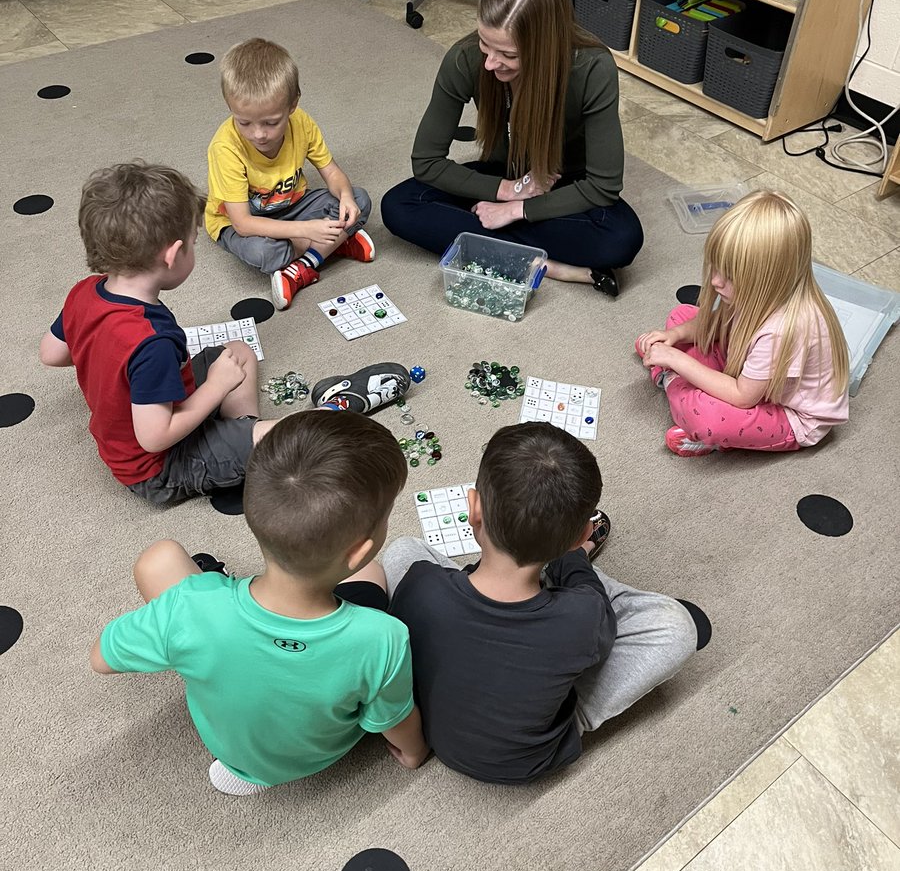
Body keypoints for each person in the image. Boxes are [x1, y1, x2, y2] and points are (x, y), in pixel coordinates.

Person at [90, 411, 429, 796]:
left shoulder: (191, 607)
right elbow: (395, 719)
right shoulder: (382, 637)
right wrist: (414, 753)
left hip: (229, 735)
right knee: (372, 577)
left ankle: (207, 647)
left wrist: (181, 629)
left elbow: (101, 659)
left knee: (160, 558)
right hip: (317, 754)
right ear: (360, 550)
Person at [39, 162, 408, 507]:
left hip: (154, 419)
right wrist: (215, 386)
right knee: (279, 434)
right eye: (194, 243)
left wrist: (104, 354)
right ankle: (324, 415)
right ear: (174, 254)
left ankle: (241, 436)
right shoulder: (151, 342)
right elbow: (154, 437)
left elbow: (51, 354)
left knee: (237, 353)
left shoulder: (84, 292)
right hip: (159, 467)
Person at [381, 423, 709, 785]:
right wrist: (575, 561)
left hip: (432, 727)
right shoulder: (582, 616)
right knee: (676, 627)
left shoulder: (422, 584)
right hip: (528, 759)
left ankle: (507, 573)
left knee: (402, 550)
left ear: (474, 509)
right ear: (583, 535)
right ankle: (557, 569)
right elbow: (592, 605)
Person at [380, 0, 644, 298]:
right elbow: (427, 162)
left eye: (508, 54)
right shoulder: (464, 59)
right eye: (484, 43)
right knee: (400, 205)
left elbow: (603, 185)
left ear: (545, 47)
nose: (490, 62)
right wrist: (507, 190)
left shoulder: (593, 67)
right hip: (502, 173)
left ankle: (495, 250)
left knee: (621, 239)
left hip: (565, 182)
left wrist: (519, 210)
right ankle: (543, 264)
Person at [636, 189, 850, 457]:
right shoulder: (762, 294)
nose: (715, 282)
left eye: (729, 276)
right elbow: (719, 322)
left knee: (706, 417)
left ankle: (669, 378)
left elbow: (742, 397)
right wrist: (675, 335)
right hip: (749, 369)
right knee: (681, 318)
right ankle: (674, 375)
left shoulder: (782, 330)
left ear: (768, 279)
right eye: (715, 268)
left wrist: (675, 360)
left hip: (788, 415)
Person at [206, 37, 375, 311]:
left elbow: (331, 171)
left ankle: (303, 265)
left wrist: (345, 196)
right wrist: (307, 230)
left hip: (293, 205)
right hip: (240, 221)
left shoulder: (302, 122)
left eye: (271, 123)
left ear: (293, 105)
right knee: (262, 253)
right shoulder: (225, 147)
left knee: (360, 199)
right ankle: (333, 244)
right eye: (244, 122)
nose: (258, 134)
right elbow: (243, 224)